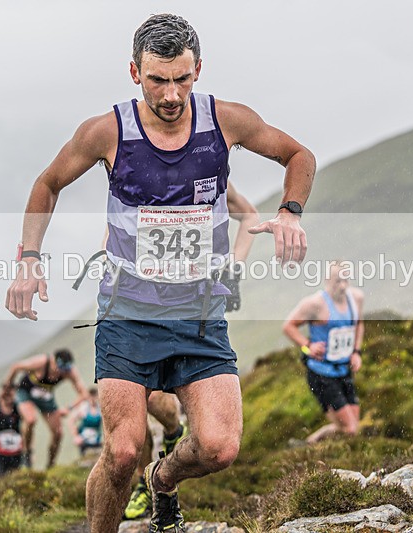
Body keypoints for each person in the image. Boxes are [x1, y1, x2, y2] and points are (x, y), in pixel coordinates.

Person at [5, 13, 314, 533]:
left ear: (198, 70)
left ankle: (162, 480)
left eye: (182, 79)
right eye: (157, 80)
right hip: (128, 312)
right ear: (134, 72)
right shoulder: (107, 132)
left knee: (220, 447)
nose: (171, 95)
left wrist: (290, 213)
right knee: (123, 450)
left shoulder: (226, 121)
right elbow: (48, 183)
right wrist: (28, 260)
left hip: (198, 313)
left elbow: (298, 155)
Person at [123, 181, 259, 520]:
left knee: (207, 434)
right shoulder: (137, 172)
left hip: (193, 311)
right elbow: (115, 234)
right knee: (140, 407)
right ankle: (152, 466)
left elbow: (249, 216)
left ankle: (157, 472)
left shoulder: (209, 172)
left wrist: (233, 270)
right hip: (140, 310)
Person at [282, 261, 365, 443]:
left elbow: (359, 324)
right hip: (322, 374)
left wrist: (356, 352)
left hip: (344, 370)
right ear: (327, 280)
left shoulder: (356, 298)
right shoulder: (315, 304)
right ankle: (311, 449)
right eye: (337, 281)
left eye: (345, 280)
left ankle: (307, 445)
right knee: (350, 428)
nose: (342, 286)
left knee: (351, 426)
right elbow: (288, 326)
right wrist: (307, 346)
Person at [5, 349, 90, 469]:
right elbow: (16, 367)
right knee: (30, 420)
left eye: (65, 369)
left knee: (58, 433)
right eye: (59, 367)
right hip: (25, 392)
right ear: (53, 360)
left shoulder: (70, 372)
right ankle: (27, 453)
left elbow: (84, 393)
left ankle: (51, 464)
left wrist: (69, 408)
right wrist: (7, 386)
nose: (61, 372)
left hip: (45, 396)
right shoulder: (41, 362)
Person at [70, 387, 104, 456]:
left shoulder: (101, 408)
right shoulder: (83, 407)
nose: (93, 398)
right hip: (84, 439)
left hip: (96, 438)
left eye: (95, 395)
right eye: (91, 395)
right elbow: (71, 421)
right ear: (88, 396)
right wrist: (76, 436)